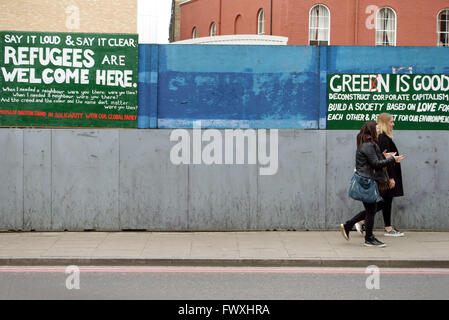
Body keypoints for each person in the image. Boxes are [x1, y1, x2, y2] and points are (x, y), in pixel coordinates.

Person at [340, 121, 405, 247]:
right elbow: (375, 164)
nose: (379, 130)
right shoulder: (368, 144)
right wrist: (392, 159)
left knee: (376, 206)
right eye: (377, 128)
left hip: (368, 180)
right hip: (367, 181)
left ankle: (349, 225)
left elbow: (372, 159)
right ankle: (368, 238)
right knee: (371, 210)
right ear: (371, 130)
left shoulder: (368, 143)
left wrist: (385, 155)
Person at [354, 113, 405, 237]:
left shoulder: (383, 137)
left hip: (384, 176)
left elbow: (380, 157)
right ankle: (362, 223)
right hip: (383, 177)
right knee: (383, 202)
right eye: (391, 122)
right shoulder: (382, 138)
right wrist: (390, 177)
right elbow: (378, 161)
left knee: (384, 202)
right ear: (385, 123)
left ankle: (368, 224)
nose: (393, 124)